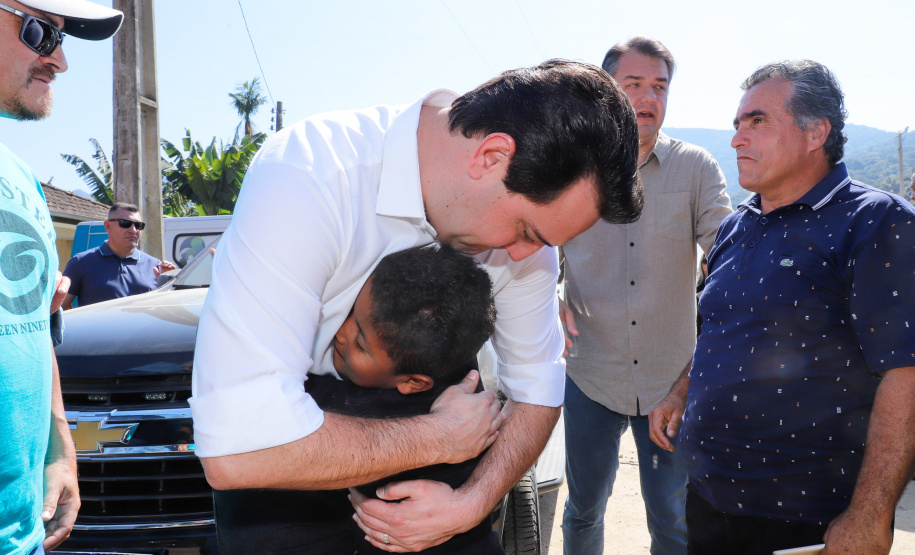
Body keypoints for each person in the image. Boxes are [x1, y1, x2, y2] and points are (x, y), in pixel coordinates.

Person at [190, 59, 643, 552]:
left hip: (441, 465)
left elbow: (537, 390)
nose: (523, 256)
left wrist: (468, 505)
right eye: (527, 232)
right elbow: (241, 448)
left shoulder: (526, 240)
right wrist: (440, 436)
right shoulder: (312, 175)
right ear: (491, 157)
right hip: (286, 472)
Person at [649, 60, 915, 555]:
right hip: (708, 498)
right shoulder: (736, 226)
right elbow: (719, 330)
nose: (736, 139)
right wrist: (680, 391)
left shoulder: (876, 222)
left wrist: (871, 514)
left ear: (816, 132)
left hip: (804, 519)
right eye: (736, 125)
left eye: (757, 121)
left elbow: (906, 373)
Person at [215, 244, 504, 554]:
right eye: (350, 312)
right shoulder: (448, 375)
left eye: (361, 344)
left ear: (412, 383)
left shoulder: (362, 405)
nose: (341, 333)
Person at [558, 37, 731, 555]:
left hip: (671, 382)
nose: (649, 98)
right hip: (591, 374)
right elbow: (535, 250)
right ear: (606, 89)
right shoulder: (570, 168)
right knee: (583, 510)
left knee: (673, 521)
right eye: (633, 85)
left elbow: (728, 250)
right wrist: (549, 295)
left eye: (659, 86)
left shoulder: (696, 168)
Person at [0, 1, 123, 554]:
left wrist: (58, 450)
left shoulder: (21, 177)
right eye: (39, 32)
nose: (60, 60)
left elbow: (33, 323)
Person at [61, 202, 177, 308]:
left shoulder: (154, 265)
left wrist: (166, 284)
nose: (133, 230)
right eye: (125, 223)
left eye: (138, 225)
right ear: (108, 226)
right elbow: (60, 306)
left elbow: (165, 309)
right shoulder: (81, 262)